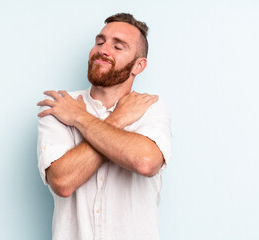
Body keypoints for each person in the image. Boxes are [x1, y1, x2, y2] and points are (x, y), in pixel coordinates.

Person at [37, 13, 171, 240]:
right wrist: (117, 120)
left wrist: (80, 119)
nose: (103, 50)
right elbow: (62, 182)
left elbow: (146, 162)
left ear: (139, 65)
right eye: (100, 42)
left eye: (118, 46)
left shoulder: (149, 107)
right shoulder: (61, 106)